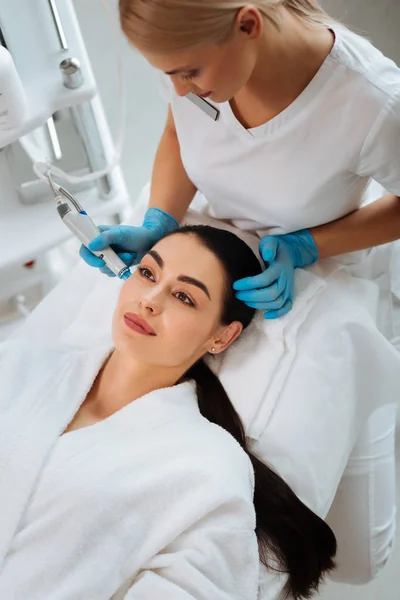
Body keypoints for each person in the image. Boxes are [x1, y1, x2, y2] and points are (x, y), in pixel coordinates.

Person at [0, 226, 336, 600]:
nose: (149, 300)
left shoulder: (207, 465)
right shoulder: (15, 365)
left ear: (222, 337)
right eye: (147, 273)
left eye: (183, 296)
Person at [81, 0, 400, 323]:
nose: (178, 90)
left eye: (189, 73)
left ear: (248, 25)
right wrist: (159, 222)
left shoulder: (375, 104)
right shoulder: (189, 57)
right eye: (169, 74)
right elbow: (178, 132)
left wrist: (307, 247)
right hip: (204, 234)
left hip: (316, 274)